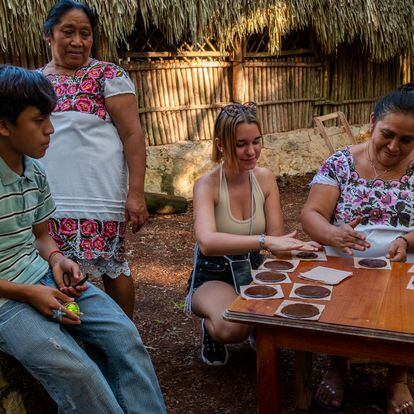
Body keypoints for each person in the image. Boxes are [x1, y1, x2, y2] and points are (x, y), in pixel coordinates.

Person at [0, 64, 166, 413]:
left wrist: (58, 260)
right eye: (38, 120)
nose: (50, 129)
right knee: (78, 370)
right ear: (4, 125)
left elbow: (41, 236)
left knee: (123, 336)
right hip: (7, 304)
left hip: (46, 283)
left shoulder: (35, 170)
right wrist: (29, 293)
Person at [301, 84, 414, 413]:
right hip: (345, 262)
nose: (394, 147)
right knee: (339, 297)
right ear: (371, 123)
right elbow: (312, 214)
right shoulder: (340, 163)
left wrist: (406, 240)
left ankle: (397, 376)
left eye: (407, 140)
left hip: (405, 262)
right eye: (388, 134)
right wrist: (334, 234)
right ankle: (337, 365)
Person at [185, 102, 318, 366]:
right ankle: (214, 330)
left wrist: (305, 246)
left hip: (254, 271)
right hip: (213, 274)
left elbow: (277, 241)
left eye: (256, 141)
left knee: (298, 313)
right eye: (241, 144)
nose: (251, 151)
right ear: (221, 145)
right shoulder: (206, 185)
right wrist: (265, 241)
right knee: (233, 327)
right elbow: (208, 242)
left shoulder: (265, 178)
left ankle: (257, 324)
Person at [39, 0, 147, 318]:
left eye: (85, 33)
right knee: (56, 267)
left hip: (98, 194)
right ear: (49, 34)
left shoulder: (107, 75)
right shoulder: (34, 82)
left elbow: (133, 135)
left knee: (113, 266)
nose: (77, 41)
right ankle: (74, 332)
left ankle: (127, 334)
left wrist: (136, 193)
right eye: (68, 32)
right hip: (48, 197)